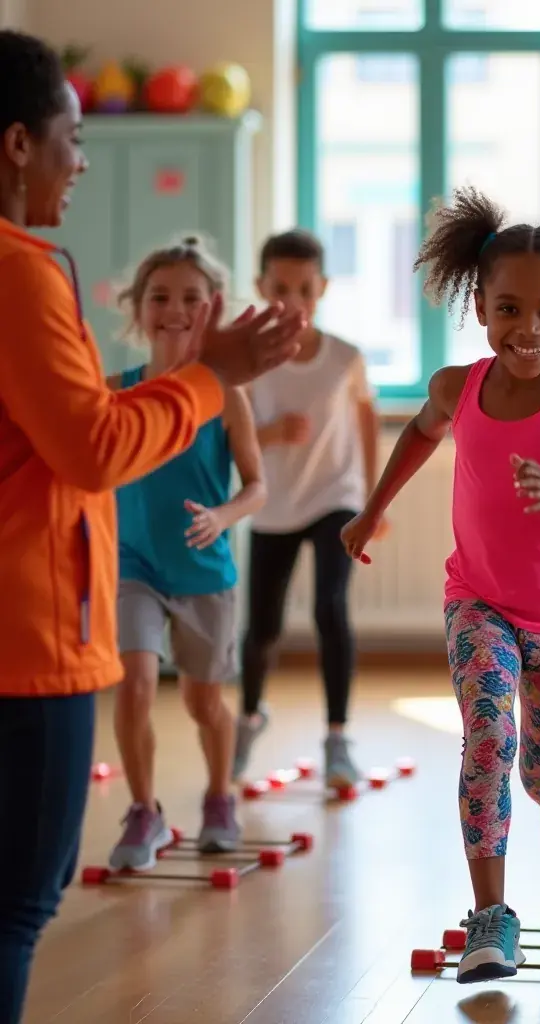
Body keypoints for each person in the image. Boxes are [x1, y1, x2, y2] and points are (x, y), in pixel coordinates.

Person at [0, 29, 303, 1024]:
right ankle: (148, 806)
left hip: (128, 592)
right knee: (16, 905)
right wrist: (212, 376)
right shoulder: (22, 273)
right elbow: (90, 447)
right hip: (26, 638)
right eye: (71, 138)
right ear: (17, 144)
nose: (81, 163)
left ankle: (208, 794)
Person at [341, 187, 540, 984]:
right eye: (508, 308)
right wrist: (372, 510)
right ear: (478, 304)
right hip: (477, 603)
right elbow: (418, 432)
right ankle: (491, 914)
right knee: (488, 743)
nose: (528, 330)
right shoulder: (459, 386)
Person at [106, 237, 267, 870]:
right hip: (132, 564)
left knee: (203, 702)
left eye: (191, 299)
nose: (175, 310)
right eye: (160, 297)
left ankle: (219, 795)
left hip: (204, 571)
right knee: (136, 684)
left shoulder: (227, 396)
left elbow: (257, 486)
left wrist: (224, 516)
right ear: (137, 308)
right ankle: (144, 814)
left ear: (213, 310)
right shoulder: (114, 390)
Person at [233, 229, 382, 788]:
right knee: (263, 626)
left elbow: (366, 419)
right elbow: (233, 427)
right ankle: (249, 717)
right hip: (273, 502)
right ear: (261, 287)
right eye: (280, 289)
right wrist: (269, 432)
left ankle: (338, 739)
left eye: (305, 289)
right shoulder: (247, 357)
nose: (293, 301)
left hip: (335, 499)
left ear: (321, 288)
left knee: (329, 607)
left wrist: (372, 498)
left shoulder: (345, 357)